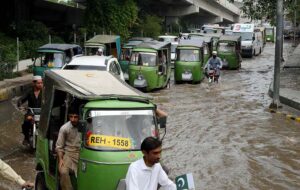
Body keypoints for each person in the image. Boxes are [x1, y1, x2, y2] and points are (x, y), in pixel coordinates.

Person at [56, 108, 81, 190]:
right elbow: (59, 147)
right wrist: (60, 160)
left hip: (82, 155)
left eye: (75, 117)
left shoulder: (85, 127)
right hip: (69, 155)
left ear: (80, 117)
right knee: (63, 171)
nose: (73, 119)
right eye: (71, 117)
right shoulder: (64, 128)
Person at [17, 75, 43, 146]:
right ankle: (26, 138)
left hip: (43, 112)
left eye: (41, 83)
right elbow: (21, 99)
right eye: (38, 83)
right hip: (31, 111)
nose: (40, 84)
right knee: (26, 122)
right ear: (33, 83)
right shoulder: (29, 91)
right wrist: (20, 105)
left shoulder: (45, 91)